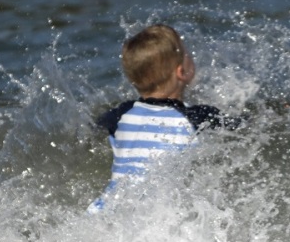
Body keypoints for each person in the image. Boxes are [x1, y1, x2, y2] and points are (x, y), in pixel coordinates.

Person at [89, 25, 238, 212]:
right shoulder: (197, 116)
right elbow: (244, 130)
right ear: (181, 72)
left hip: (106, 209)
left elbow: (95, 127)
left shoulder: (120, 114)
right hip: (154, 213)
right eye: (187, 53)